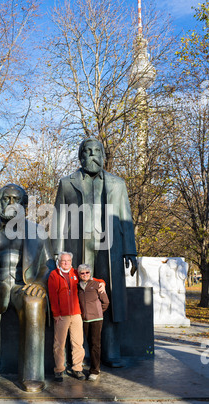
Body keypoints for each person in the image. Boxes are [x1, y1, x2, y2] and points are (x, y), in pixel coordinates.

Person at [51, 137, 137, 367]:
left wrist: (130, 250)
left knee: (107, 298)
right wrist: (56, 254)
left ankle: (111, 350)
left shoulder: (117, 184)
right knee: (78, 299)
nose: (91, 155)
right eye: (87, 151)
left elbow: (126, 219)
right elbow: (58, 220)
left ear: (103, 155)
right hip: (77, 248)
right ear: (80, 156)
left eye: (96, 151)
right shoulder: (67, 183)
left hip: (109, 249)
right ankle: (80, 351)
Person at [0, 183, 55, 393]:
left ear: (24, 205)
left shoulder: (38, 232)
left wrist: (41, 284)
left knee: (34, 302)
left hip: (24, 286)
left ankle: (32, 374)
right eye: (6, 199)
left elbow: (48, 264)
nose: (11, 204)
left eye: (16, 200)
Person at [48, 251, 105, 382]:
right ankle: (59, 370)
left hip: (76, 314)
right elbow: (52, 296)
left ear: (71, 262)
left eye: (68, 261)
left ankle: (77, 369)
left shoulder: (75, 273)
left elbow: (90, 278)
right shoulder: (54, 275)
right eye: (63, 261)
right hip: (61, 315)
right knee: (59, 344)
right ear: (59, 262)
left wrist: (102, 282)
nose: (66, 263)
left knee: (78, 343)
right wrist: (56, 314)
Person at [77, 264, 110, 381]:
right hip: (85, 319)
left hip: (96, 320)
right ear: (79, 274)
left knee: (95, 344)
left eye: (87, 272)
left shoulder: (97, 285)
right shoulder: (78, 286)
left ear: (90, 273)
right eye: (82, 273)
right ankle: (94, 366)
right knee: (89, 343)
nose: (85, 274)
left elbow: (105, 302)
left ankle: (95, 371)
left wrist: (98, 312)